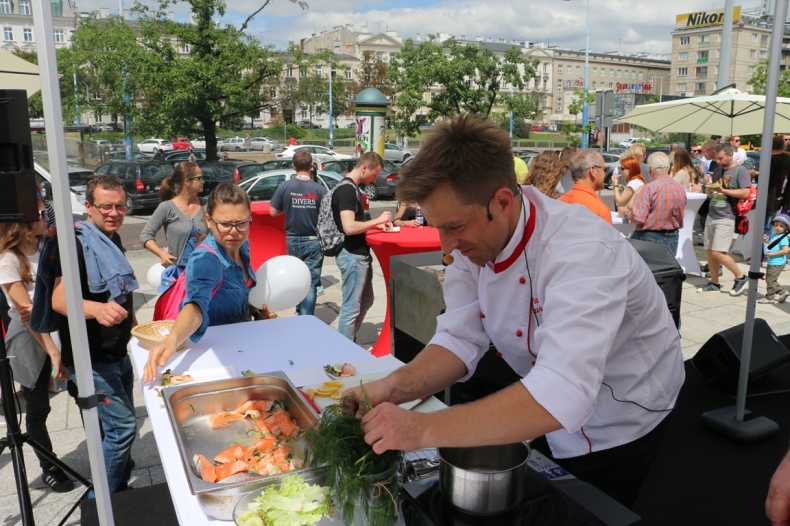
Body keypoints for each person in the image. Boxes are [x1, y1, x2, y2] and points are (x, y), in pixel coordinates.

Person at [350, 114, 684, 508]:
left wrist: (420, 430)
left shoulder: (580, 251)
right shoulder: (476, 244)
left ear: (503, 202)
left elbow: (563, 391)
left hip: (626, 407)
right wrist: (393, 386)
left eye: (455, 226)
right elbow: (459, 336)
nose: (446, 247)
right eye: (438, 226)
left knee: (596, 509)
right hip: (549, 393)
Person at [51, 175, 139, 495]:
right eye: (106, 207)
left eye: (120, 206)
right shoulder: (74, 242)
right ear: (88, 207)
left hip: (117, 352)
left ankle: (119, 488)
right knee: (123, 428)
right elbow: (59, 300)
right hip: (90, 357)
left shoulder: (110, 237)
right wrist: (96, 310)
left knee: (115, 427)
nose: (114, 213)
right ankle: (98, 499)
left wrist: (133, 320)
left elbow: (118, 289)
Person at [142, 183, 275, 383]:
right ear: (208, 220)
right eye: (225, 223)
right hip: (215, 356)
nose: (234, 231)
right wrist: (171, 341)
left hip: (243, 345)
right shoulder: (205, 259)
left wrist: (256, 313)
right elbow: (196, 305)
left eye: (242, 223)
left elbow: (236, 290)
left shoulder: (242, 245)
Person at [0, 199, 73, 492]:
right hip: (32, 342)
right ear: (24, 220)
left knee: (82, 393)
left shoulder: (45, 246)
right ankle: (49, 467)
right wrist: (52, 353)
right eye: (42, 213)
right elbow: (27, 316)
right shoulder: (7, 259)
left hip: (58, 329)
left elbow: (44, 302)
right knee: (38, 407)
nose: (48, 216)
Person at [332, 152, 392, 342]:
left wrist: (374, 225)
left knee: (366, 301)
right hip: (351, 255)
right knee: (352, 306)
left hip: (356, 255)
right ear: (364, 168)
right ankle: (344, 353)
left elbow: (354, 225)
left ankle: (347, 342)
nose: (375, 179)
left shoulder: (351, 188)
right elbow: (349, 227)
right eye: (374, 174)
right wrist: (377, 220)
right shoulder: (347, 190)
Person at [269, 150, 327, 316]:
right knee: (310, 283)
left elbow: (273, 211)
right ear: (311, 166)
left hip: (292, 240)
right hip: (313, 240)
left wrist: (288, 207)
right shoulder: (320, 189)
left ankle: (298, 313)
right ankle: (306, 319)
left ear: (293, 166)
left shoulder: (284, 186)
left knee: (296, 279)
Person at [695, 143, 751, 295]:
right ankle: (714, 282)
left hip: (727, 216)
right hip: (712, 214)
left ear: (730, 155)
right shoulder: (718, 170)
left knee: (719, 252)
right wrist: (707, 185)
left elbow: (746, 193)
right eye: (717, 158)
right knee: (710, 251)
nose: (718, 161)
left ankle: (740, 277)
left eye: (721, 158)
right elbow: (709, 195)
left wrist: (723, 190)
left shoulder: (741, 170)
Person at [140, 162, 208, 276]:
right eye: (199, 178)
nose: (203, 181)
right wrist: (162, 254)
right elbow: (145, 235)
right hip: (179, 274)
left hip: (205, 272)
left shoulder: (207, 204)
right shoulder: (166, 207)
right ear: (187, 181)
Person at [624, 152, 687, 256]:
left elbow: (638, 218)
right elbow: (682, 214)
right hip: (672, 236)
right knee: (666, 270)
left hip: (650, 236)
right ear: (669, 168)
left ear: (649, 168)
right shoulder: (679, 188)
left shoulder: (650, 188)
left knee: (646, 270)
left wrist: (626, 213)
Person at [558, 149, 613, 225]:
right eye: (604, 169)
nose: (605, 174)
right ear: (593, 171)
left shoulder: (558, 203)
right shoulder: (599, 210)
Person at [760, 214, 790, 304]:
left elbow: (785, 251)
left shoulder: (784, 238)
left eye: (781, 226)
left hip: (778, 262)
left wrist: (772, 254)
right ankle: (783, 292)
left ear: (786, 228)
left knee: (770, 280)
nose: (777, 228)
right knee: (770, 279)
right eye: (776, 225)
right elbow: (770, 246)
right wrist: (765, 240)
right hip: (772, 261)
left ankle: (770, 297)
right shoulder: (774, 236)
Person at [765, 135, 790, 240]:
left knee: (765, 228)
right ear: (783, 146)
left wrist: (755, 176)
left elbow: (766, 180)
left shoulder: (770, 161)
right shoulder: (788, 160)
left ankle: (763, 253)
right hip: (780, 198)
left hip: (768, 199)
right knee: (771, 227)